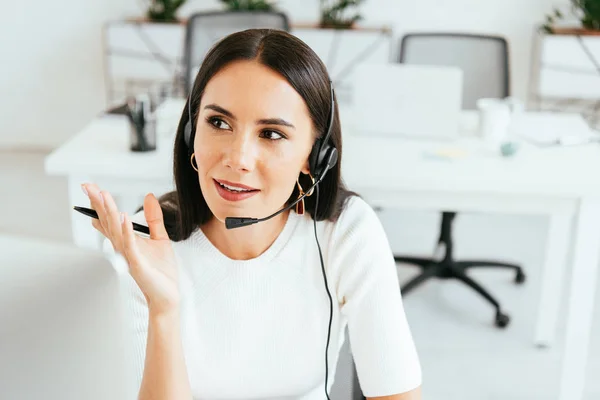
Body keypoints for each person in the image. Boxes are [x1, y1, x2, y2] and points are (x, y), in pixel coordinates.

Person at [81, 28, 422, 400]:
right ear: (191, 133)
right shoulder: (142, 244)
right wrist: (163, 309)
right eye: (219, 123)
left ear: (314, 157)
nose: (237, 159)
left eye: (272, 134)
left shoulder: (345, 231)